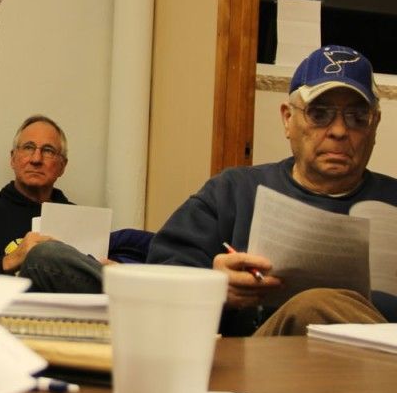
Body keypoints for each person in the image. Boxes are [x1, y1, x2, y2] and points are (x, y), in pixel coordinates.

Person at [148, 44, 397, 336]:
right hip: (256, 368)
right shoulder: (233, 193)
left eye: (357, 117)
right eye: (320, 114)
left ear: (375, 125)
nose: (340, 131)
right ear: (288, 120)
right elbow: (157, 285)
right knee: (313, 307)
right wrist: (212, 287)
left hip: (370, 377)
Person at [0, 115, 151, 292]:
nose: (36, 158)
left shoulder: (84, 222)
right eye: (28, 148)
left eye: (48, 151)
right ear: (13, 159)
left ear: (62, 166)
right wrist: (8, 261)